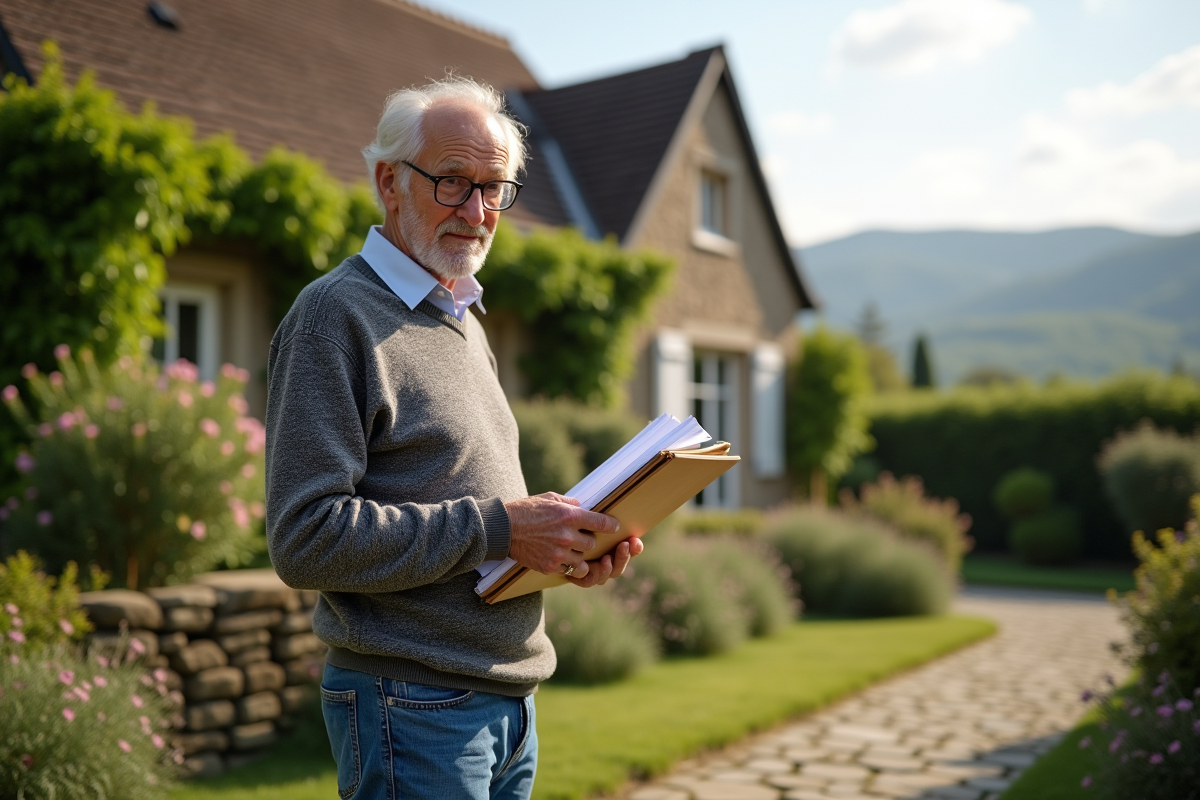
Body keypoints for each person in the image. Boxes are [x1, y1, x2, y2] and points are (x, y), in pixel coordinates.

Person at [264, 77, 644, 800]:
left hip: (505, 701)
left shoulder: (462, 321)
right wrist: (502, 528)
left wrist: (561, 549)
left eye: (494, 188)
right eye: (451, 182)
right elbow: (304, 538)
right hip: (412, 704)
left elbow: (478, 527)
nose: (476, 211)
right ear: (389, 182)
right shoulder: (332, 317)